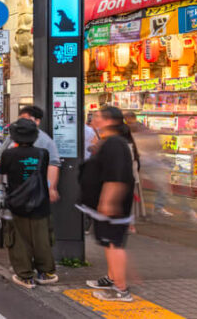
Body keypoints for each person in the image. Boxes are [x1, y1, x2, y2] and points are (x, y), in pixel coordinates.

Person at [79, 106, 137, 303]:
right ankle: (111, 278)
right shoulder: (108, 142)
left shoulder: (115, 144)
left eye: (97, 116)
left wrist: (108, 201)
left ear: (109, 120)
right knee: (109, 243)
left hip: (112, 207)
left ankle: (121, 289)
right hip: (104, 207)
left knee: (114, 245)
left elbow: (116, 176)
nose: (93, 119)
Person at [0, 118, 58, 289]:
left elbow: (1, 174)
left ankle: (25, 275)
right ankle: (45, 272)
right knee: (41, 238)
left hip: (17, 202)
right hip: (40, 200)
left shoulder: (9, 154)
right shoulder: (42, 153)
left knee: (18, 239)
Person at [3, 105, 62, 204]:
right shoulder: (12, 136)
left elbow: (53, 164)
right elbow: (2, 154)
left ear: (37, 121)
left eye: (26, 120)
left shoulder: (45, 141)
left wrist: (51, 188)